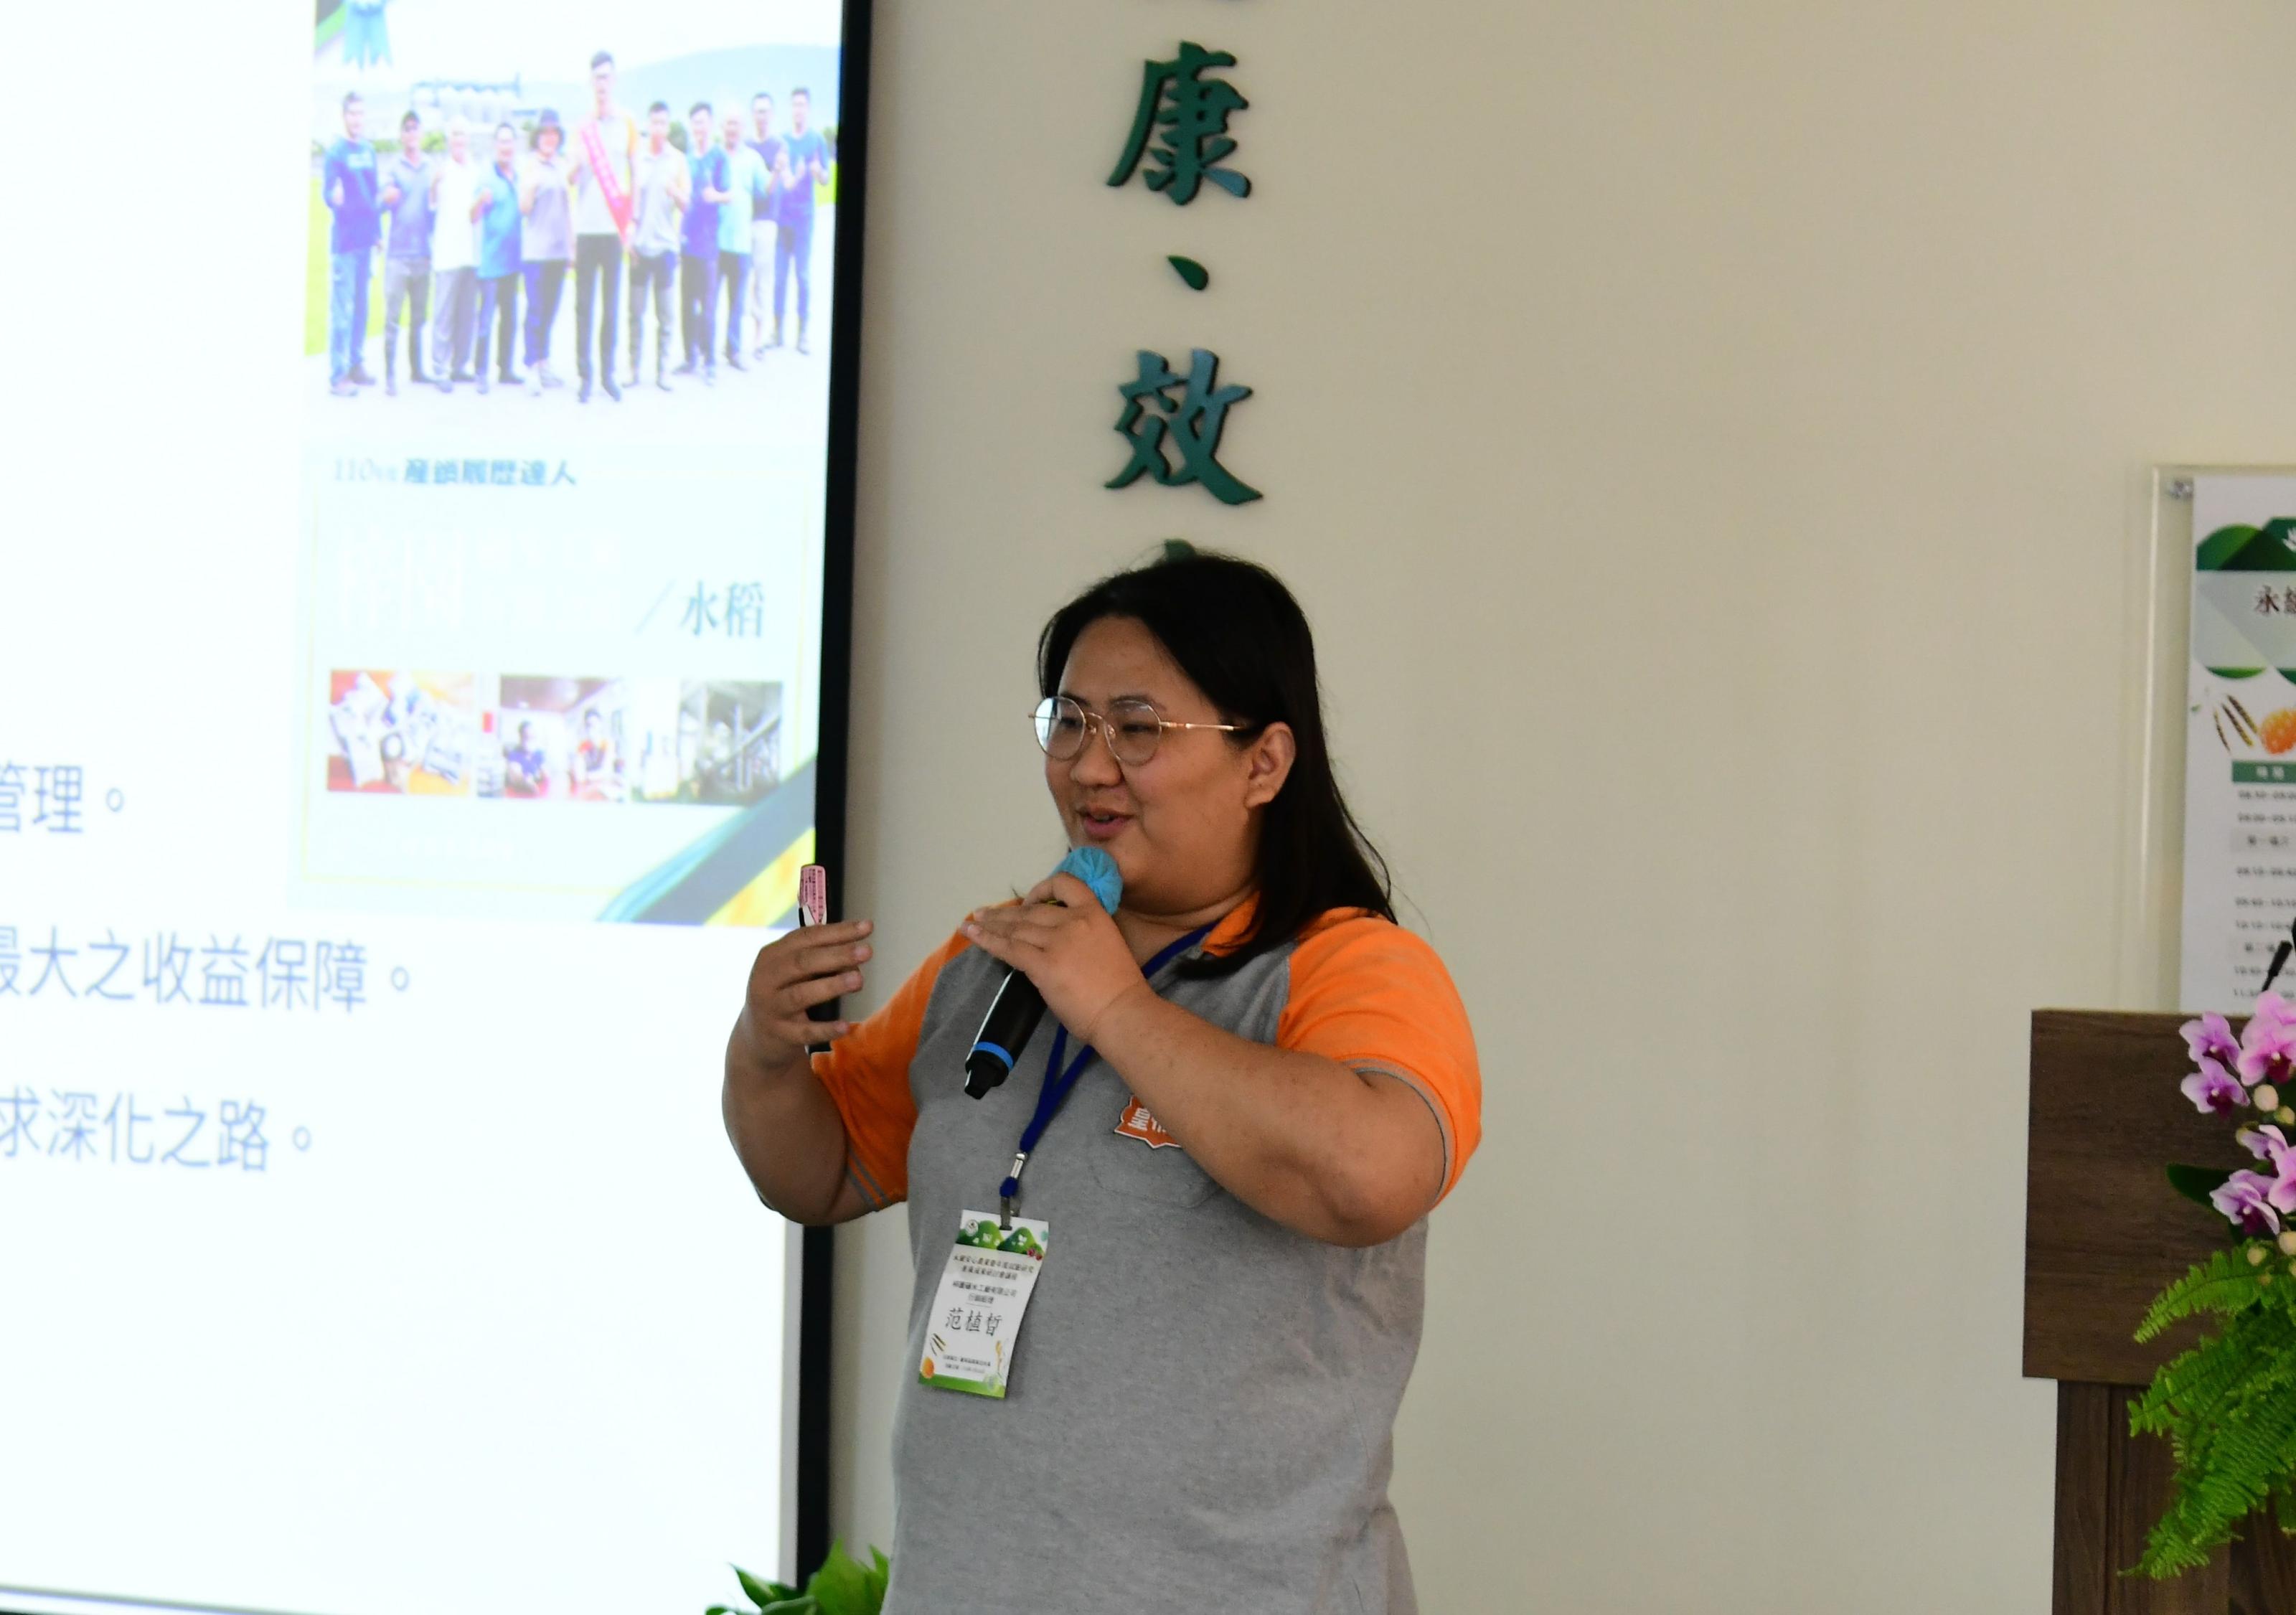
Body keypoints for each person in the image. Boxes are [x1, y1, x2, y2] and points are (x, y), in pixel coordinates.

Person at [720, 552, 1481, 1614]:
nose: (1089, 765)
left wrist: (1119, 1009)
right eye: (1069, 722)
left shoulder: (1349, 965)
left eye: (1138, 729)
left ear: (1265, 762)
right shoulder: (996, 960)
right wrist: (761, 1050)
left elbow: (1371, 1175)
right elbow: (821, 1168)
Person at [569, 50, 635, 402]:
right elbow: (568, 177)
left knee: (611, 306)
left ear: (615, 81)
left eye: (607, 78)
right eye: (597, 79)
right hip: (585, 230)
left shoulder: (627, 123)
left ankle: (609, 374)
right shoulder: (581, 129)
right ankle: (585, 376)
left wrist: (633, 222)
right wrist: (577, 163)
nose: (602, 85)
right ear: (590, 83)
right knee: (584, 306)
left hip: (613, 230)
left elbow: (634, 174)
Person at [625, 100, 689, 392]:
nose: (659, 128)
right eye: (654, 123)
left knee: (666, 315)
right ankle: (634, 368)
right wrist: (629, 236)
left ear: (669, 126)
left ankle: (663, 370)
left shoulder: (677, 160)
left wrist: (674, 190)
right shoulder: (637, 159)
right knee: (635, 313)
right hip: (640, 247)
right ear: (648, 125)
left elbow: (687, 205)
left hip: (665, 248)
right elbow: (629, 201)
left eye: (664, 123)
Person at [321, 92, 381, 397]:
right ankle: (338, 374)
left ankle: (357, 363)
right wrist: (335, 197)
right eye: (352, 114)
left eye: (361, 113)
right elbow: (327, 192)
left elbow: (375, 197)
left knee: (362, 308)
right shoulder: (335, 153)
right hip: (344, 244)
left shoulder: (369, 152)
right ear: (344, 117)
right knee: (341, 312)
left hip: (365, 242)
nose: (357, 119)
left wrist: (378, 234)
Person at [768, 86, 829, 356]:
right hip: (783, 219)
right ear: (790, 109)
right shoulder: (782, 141)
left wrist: (817, 172)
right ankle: (777, 330)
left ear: (809, 109)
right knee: (780, 276)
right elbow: (779, 174)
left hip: (804, 218)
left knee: (802, 275)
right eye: (794, 105)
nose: (798, 110)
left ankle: (802, 332)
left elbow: (826, 178)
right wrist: (784, 172)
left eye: (803, 105)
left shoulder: (816, 140)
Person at [378, 109, 433, 395]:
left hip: (423, 254)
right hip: (398, 256)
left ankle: (417, 369)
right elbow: (380, 201)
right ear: (401, 135)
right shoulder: (393, 167)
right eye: (407, 129)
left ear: (421, 134)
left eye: (416, 129)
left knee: (419, 317)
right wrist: (386, 197)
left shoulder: (430, 168)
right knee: (392, 318)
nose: (412, 134)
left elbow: (436, 207)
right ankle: (389, 374)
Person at [519, 108, 573, 394]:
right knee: (536, 310)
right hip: (536, 251)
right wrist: (531, 186)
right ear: (538, 137)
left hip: (558, 250)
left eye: (554, 133)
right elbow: (524, 208)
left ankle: (544, 362)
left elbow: (568, 209)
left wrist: (571, 247)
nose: (549, 138)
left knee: (551, 310)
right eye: (545, 133)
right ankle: (530, 367)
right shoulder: (530, 166)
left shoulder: (562, 166)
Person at [676, 102, 729, 384]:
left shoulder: (719, 156)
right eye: (694, 122)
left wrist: (715, 196)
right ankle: (689, 357)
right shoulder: (686, 159)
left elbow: (730, 194)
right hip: (688, 241)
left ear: (711, 124)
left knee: (708, 304)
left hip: (709, 243)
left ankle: (710, 361)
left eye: (703, 122)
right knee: (687, 302)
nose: (699, 127)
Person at [715, 110, 771, 372]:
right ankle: (705, 352)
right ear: (722, 126)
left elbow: (766, 188)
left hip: (741, 243)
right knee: (710, 301)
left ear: (743, 128)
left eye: (737, 123)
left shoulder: (753, 159)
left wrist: (780, 172)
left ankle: (733, 350)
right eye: (728, 123)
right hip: (715, 242)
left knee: (737, 302)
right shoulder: (716, 156)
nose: (732, 128)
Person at [427, 117, 479, 391]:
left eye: (463, 134)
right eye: (455, 134)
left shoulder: (475, 170)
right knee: (444, 314)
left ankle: (461, 365)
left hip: (469, 252)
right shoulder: (441, 172)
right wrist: (434, 186)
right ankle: (440, 368)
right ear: (449, 140)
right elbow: (431, 206)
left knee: (466, 314)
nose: (459, 139)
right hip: (447, 252)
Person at [471, 122, 523, 394]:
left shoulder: (519, 175)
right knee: (486, 320)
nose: (506, 147)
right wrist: (480, 201)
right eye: (501, 142)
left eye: (510, 142)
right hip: (491, 261)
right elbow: (472, 216)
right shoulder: (486, 176)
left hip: (514, 261)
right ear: (495, 146)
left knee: (510, 319)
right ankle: (481, 372)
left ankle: (506, 368)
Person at [745, 92, 784, 358]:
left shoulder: (778, 147)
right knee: (744, 280)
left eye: (766, 111)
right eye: (758, 111)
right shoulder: (746, 146)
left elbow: (774, 186)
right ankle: (749, 329)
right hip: (745, 220)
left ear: (772, 115)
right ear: (753, 115)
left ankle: (760, 338)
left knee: (763, 279)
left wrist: (779, 171)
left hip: (766, 221)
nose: (762, 116)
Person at [502, 722, 547, 796]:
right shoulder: (514, 755)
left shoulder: (539, 754)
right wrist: (526, 781)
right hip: (519, 796)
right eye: (526, 736)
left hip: (539, 796)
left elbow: (546, 775)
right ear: (521, 737)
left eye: (532, 736)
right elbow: (516, 776)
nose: (529, 739)